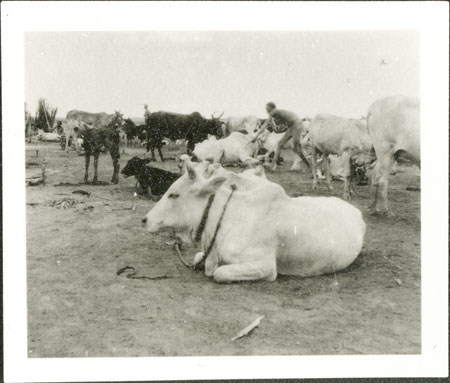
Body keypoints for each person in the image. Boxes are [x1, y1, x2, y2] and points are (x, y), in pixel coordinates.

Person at [252, 102, 310, 171]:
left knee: (295, 148)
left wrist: (255, 137)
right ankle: (273, 166)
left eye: (267, 108)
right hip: (293, 126)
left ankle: (309, 165)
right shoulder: (277, 112)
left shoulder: (273, 112)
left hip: (296, 125)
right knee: (279, 144)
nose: (266, 110)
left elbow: (264, 126)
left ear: (271, 107)